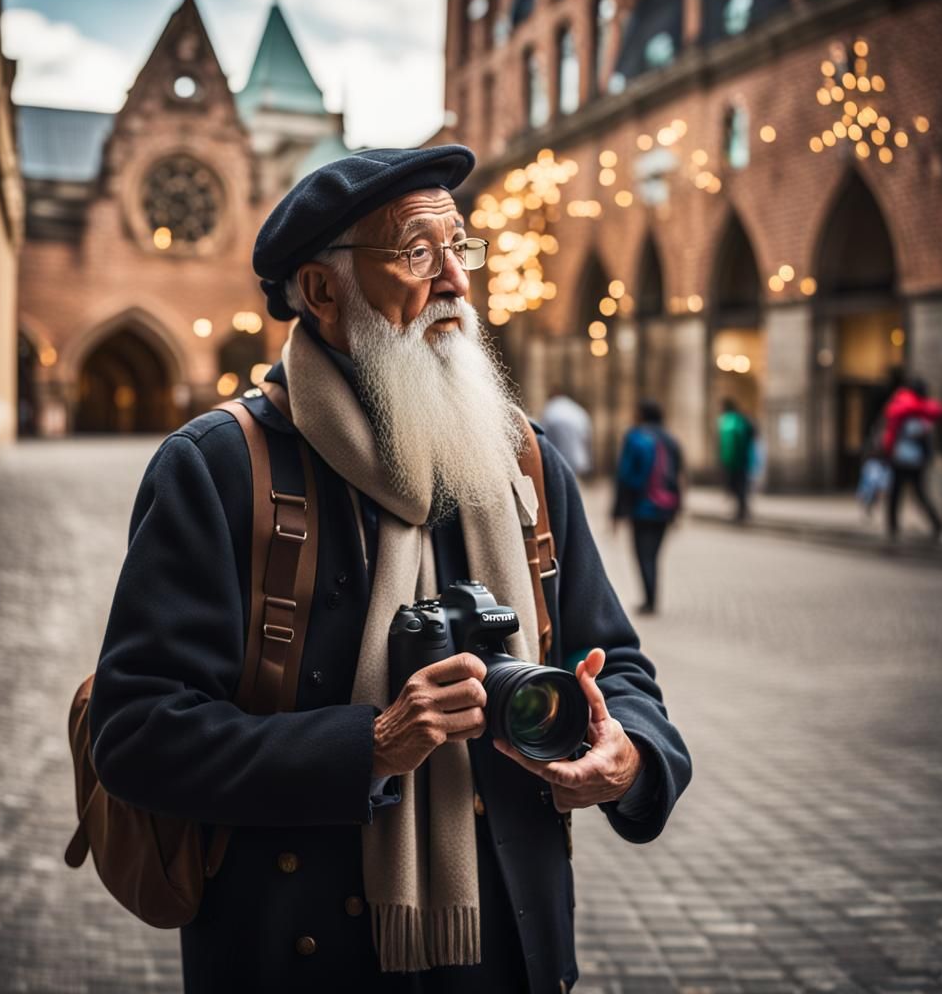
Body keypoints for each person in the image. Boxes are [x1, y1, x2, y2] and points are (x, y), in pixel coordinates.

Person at [88, 146, 691, 994]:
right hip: (299, 956)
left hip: (512, 950)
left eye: (461, 247)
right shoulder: (219, 467)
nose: (456, 279)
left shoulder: (524, 461)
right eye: (417, 252)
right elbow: (137, 734)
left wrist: (630, 757)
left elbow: (619, 668)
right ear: (324, 291)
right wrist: (368, 746)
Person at [612, 400, 683, 615]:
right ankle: (652, 597)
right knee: (654, 554)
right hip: (665, 506)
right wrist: (676, 509)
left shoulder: (635, 437)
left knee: (643, 554)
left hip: (642, 507)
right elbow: (678, 476)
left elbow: (624, 475)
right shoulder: (671, 440)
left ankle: (649, 600)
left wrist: (616, 512)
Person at [880, 377, 942, 538]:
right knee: (917, 492)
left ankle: (892, 525)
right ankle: (935, 523)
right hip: (914, 459)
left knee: (897, 492)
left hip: (900, 457)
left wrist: (887, 452)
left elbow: (891, 432)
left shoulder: (901, 406)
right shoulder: (923, 410)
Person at [717, 397, 754, 521]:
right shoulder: (730, 420)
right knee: (737, 486)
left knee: (738, 486)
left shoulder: (733, 421)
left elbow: (737, 441)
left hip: (736, 460)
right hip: (733, 459)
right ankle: (741, 510)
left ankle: (742, 511)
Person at [541, 388, 592, 476]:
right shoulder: (577, 410)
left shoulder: (550, 410)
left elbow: (542, 435)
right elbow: (586, 435)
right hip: (576, 460)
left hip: (556, 460)